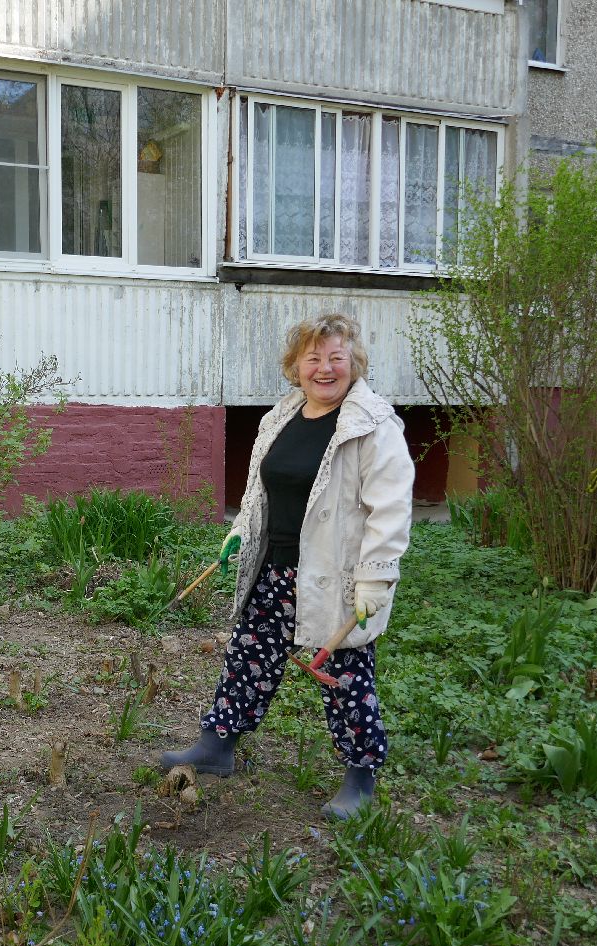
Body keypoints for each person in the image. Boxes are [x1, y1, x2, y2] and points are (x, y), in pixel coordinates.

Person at [161, 312, 414, 820]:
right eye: (313, 358)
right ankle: (218, 745)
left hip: (334, 578)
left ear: (354, 363)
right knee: (248, 657)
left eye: (336, 358)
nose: (325, 368)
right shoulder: (280, 417)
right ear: (296, 366)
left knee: (345, 677)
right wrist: (240, 530)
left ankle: (360, 778)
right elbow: (260, 489)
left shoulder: (373, 427)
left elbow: (390, 510)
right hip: (274, 569)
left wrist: (376, 575)